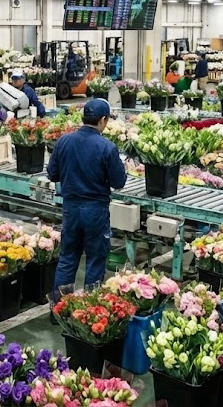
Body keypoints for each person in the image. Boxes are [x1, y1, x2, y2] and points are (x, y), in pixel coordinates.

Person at [46, 99, 126, 297]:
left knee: (68, 257)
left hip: (71, 209)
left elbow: (52, 174)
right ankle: (89, 310)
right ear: (102, 120)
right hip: (95, 211)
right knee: (95, 260)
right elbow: (119, 182)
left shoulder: (64, 141)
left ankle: (59, 307)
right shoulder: (106, 147)